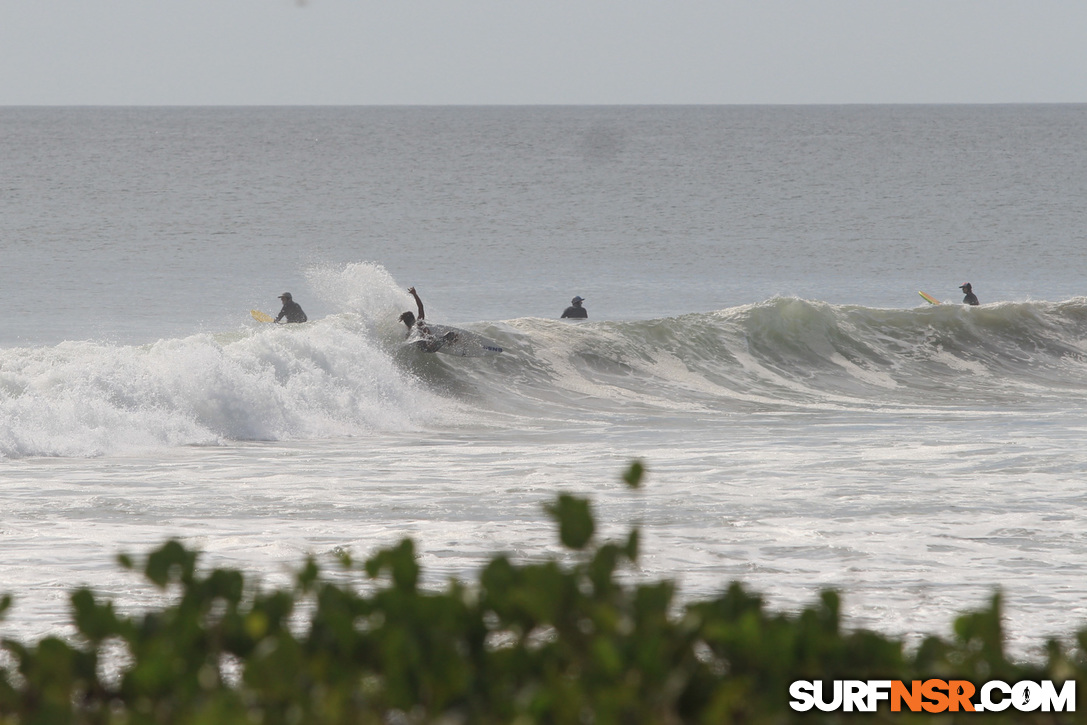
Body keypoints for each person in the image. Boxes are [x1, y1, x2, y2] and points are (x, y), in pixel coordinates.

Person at [399, 286, 456, 351]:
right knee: (451, 334)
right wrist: (415, 294)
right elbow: (421, 307)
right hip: (431, 346)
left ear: (406, 323)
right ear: (413, 318)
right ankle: (451, 341)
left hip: (422, 348)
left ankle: (446, 342)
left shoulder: (409, 332)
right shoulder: (419, 323)